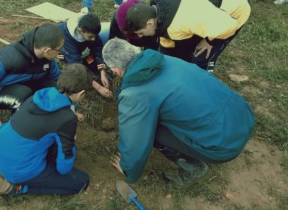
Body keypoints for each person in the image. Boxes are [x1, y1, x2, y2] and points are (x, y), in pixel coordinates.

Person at [104, 38, 255, 186]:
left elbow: (135, 140)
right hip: (243, 117)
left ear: (116, 70)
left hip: (222, 145)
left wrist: (128, 169)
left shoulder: (134, 95)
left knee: (151, 131)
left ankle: (195, 168)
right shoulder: (164, 59)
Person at [0, 63, 93, 196]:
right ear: (81, 93)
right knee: (81, 181)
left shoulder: (41, 95)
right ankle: (20, 189)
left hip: (2, 148)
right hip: (18, 169)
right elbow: (63, 169)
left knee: (50, 141)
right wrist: (71, 144)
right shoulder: (67, 119)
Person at [125, 0, 251, 72]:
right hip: (206, 13)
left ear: (150, 23)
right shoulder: (159, 12)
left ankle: (202, 80)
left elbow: (227, 26)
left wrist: (210, 41)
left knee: (200, 58)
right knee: (184, 52)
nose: (140, 36)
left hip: (234, 10)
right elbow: (167, 45)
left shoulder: (184, 19)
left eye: (141, 32)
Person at [0, 23, 64, 135]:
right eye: (59, 50)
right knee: (23, 97)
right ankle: (18, 134)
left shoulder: (47, 60)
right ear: (46, 50)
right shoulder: (5, 60)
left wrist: (71, 108)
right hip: (1, 92)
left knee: (54, 89)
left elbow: (59, 81)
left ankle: (46, 121)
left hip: (26, 86)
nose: (60, 53)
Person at [58, 13, 112, 98]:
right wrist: (99, 88)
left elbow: (98, 49)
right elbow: (77, 66)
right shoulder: (68, 39)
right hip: (67, 52)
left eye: (95, 36)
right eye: (90, 37)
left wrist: (102, 71)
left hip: (81, 50)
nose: (93, 39)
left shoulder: (90, 29)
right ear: (80, 31)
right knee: (76, 69)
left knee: (91, 61)